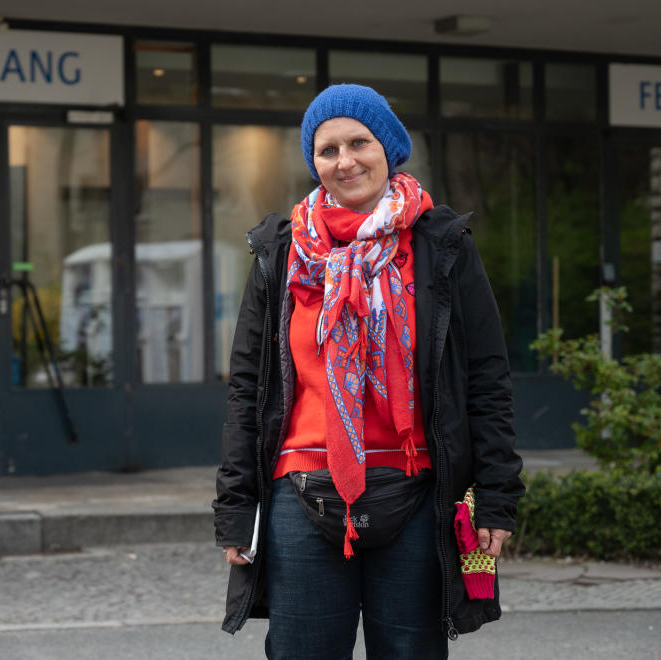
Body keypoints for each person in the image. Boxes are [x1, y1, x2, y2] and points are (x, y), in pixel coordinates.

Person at [213, 83, 524, 659]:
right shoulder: (281, 254)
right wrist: (236, 510)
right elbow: (248, 391)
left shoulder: (442, 245)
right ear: (314, 161)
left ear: (389, 147)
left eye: (359, 142)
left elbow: (485, 380)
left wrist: (498, 497)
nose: (344, 160)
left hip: (416, 492)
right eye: (327, 149)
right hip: (301, 493)